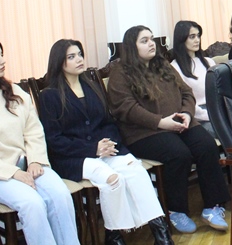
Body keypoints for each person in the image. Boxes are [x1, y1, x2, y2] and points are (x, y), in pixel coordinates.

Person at [38, 39, 174, 245]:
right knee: (112, 179)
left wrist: (109, 143)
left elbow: (109, 122)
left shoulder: (92, 86)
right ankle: (115, 236)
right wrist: (93, 148)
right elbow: (54, 140)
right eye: (71, 57)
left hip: (105, 150)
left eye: (80, 54)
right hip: (74, 157)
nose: (79, 60)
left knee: (136, 171)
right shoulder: (50, 95)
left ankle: (162, 235)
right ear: (59, 62)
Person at [0, 38, 80, 245]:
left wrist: (36, 161)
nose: (2, 61)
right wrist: (14, 173)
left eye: (2, 55)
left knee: (61, 195)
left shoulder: (16, 93)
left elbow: (34, 131)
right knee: (33, 204)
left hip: (29, 166)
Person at [107, 25, 230, 234]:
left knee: (207, 145)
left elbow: (187, 93)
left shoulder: (162, 64)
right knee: (178, 154)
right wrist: (160, 122)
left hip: (179, 122)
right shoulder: (120, 72)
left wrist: (187, 114)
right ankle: (176, 210)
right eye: (144, 40)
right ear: (131, 46)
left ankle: (212, 207)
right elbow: (126, 108)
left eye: (151, 39)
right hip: (144, 132)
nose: (151, 44)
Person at [170, 21, 217, 137]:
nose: (197, 40)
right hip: (198, 117)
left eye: (198, 36)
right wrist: (213, 116)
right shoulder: (174, 67)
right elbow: (184, 101)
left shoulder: (209, 62)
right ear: (181, 39)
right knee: (230, 132)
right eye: (192, 37)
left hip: (218, 109)